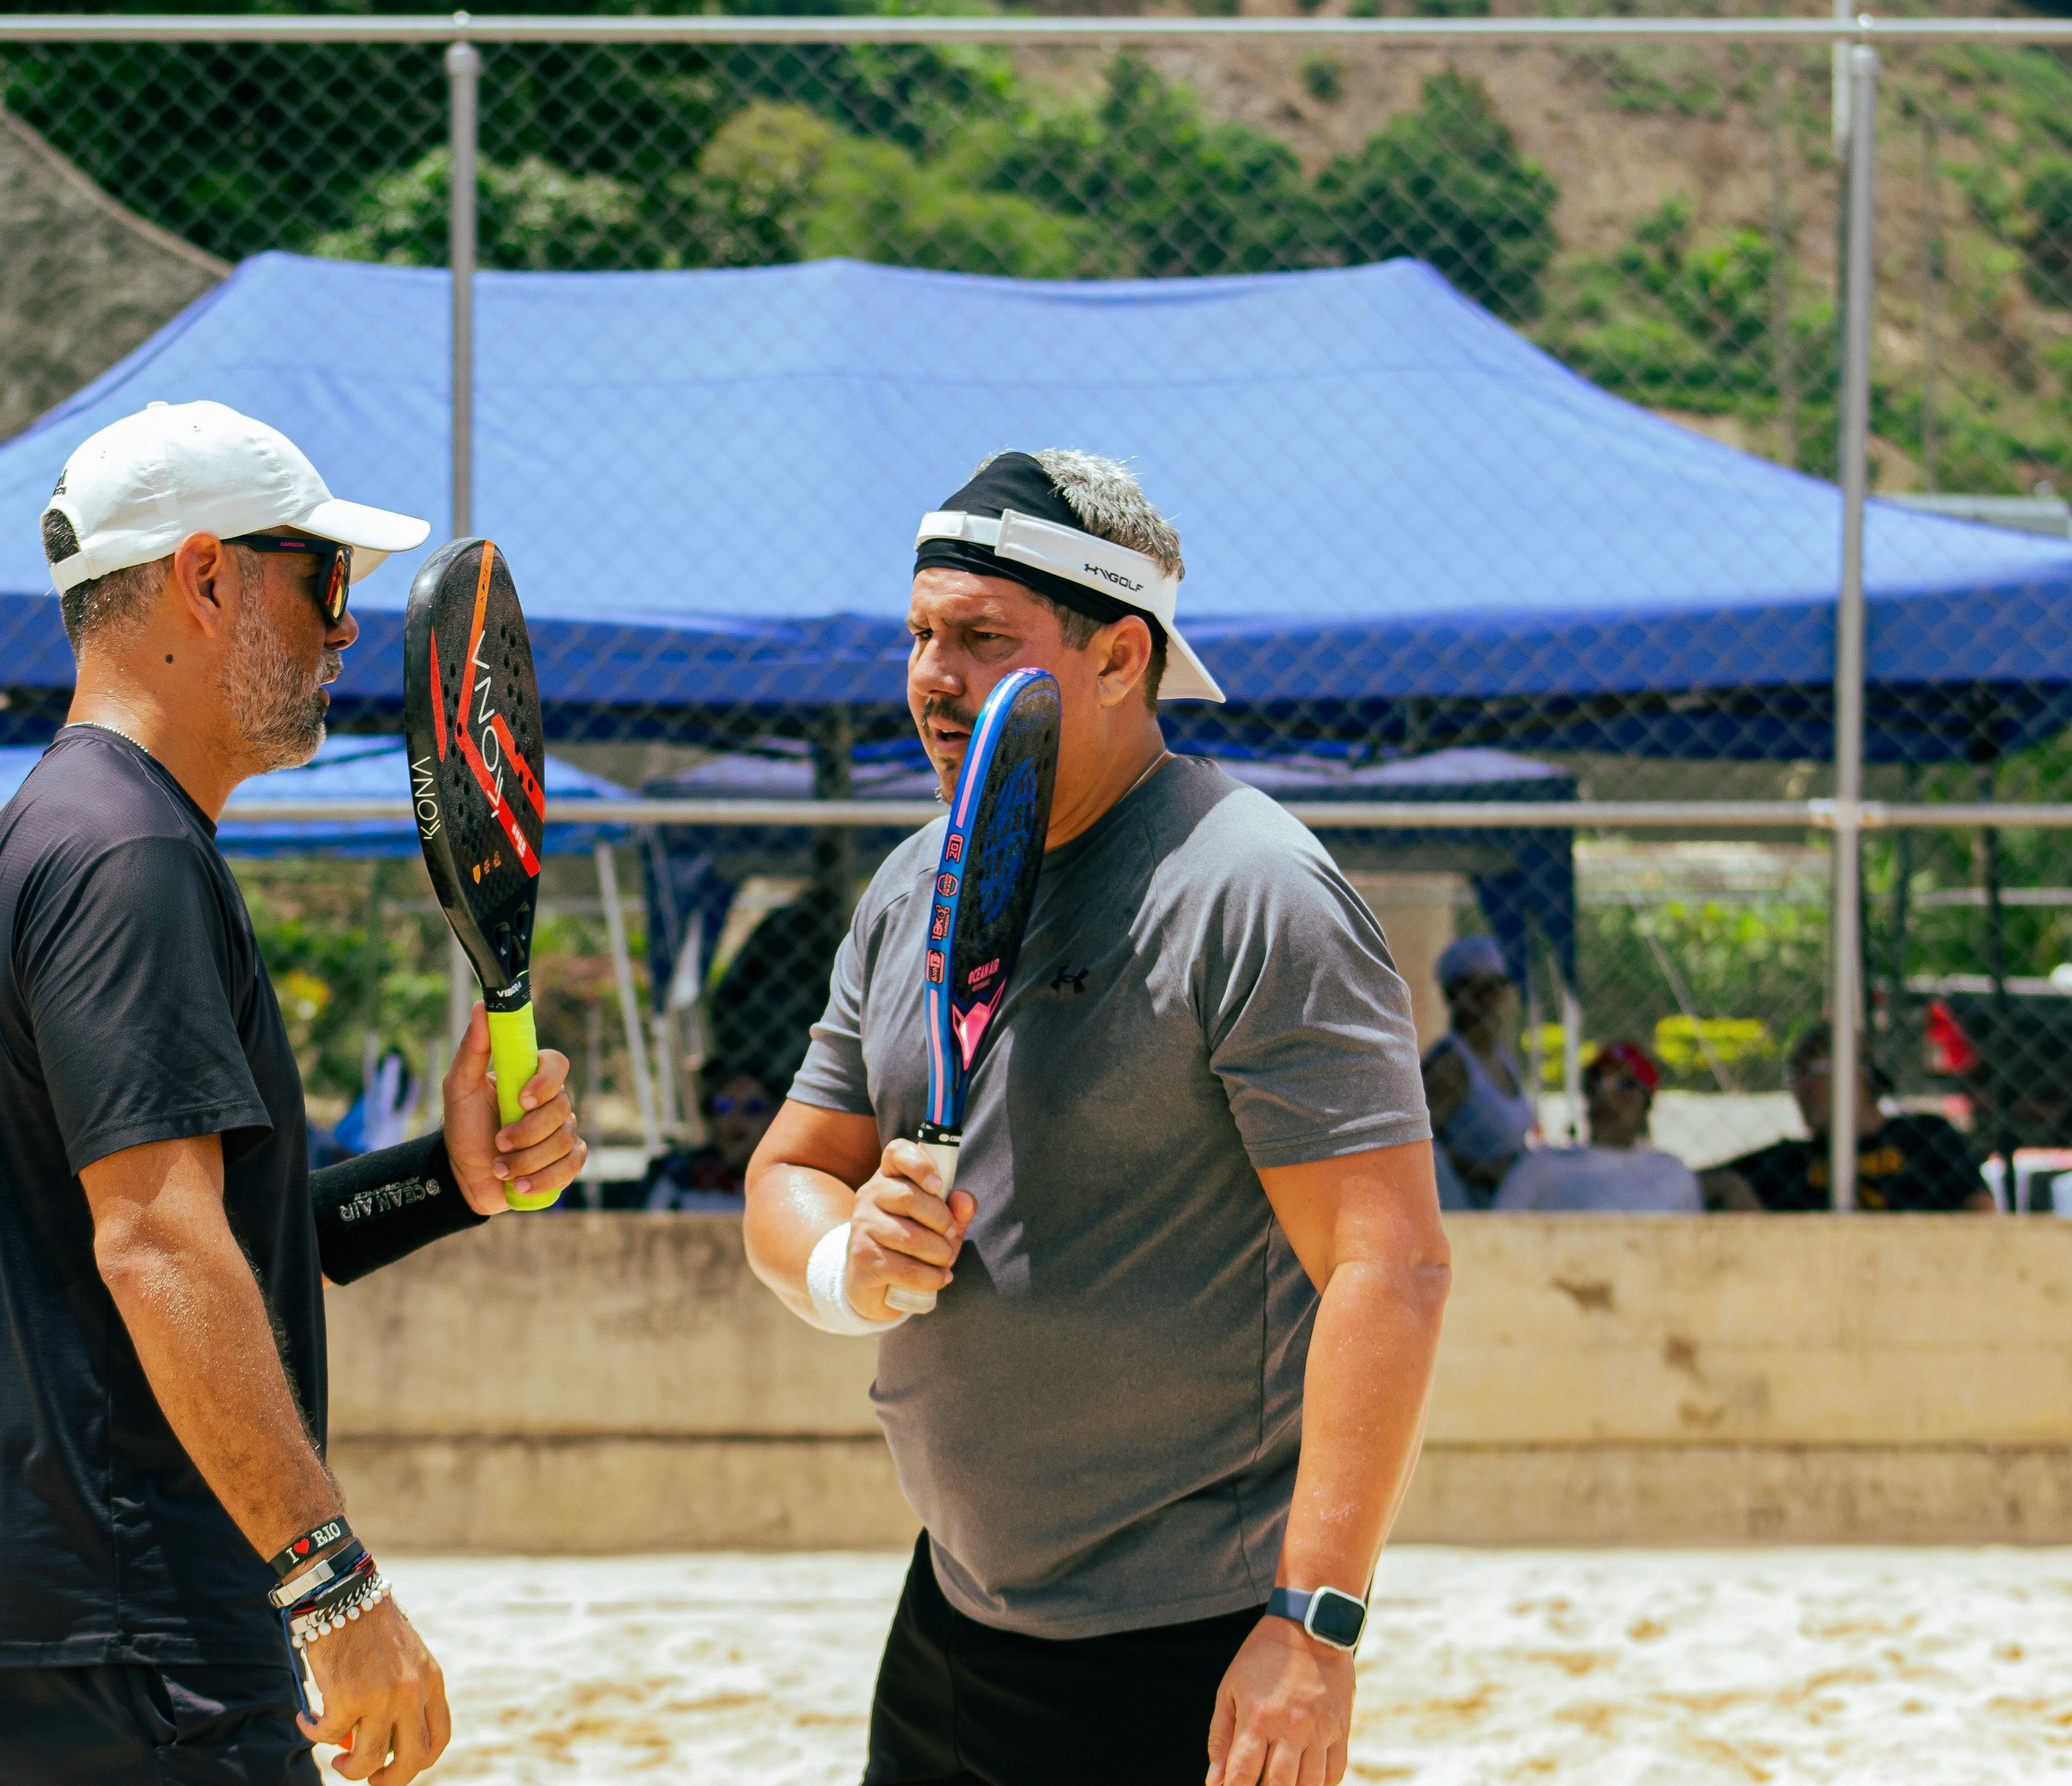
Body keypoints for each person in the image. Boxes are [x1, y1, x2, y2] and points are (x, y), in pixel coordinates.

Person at [0, 401, 589, 1786]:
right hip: (131, 1618)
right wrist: (337, 1587)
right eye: (322, 582)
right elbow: (158, 1248)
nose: (344, 631)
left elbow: (210, 1237)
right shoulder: (132, 857)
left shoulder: (54, 835)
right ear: (205, 576)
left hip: (26, 1617)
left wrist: (447, 1177)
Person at [744, 449, 1449, 1786]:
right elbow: (791, 1170)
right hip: (953, 1611)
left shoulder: (1250, 888)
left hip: (1185, 1641)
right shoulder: (909, 886)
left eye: (980, 638)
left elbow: (1390, 1266)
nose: (932, 677)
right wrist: (849, 1261)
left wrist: (1314, 1626)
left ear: (1122, 655)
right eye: (919, 636)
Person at [1699, 1022, 1990, 1212]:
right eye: (1793, 1076)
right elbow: (1690, 1181)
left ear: (1855, 1074)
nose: (1799, 1088)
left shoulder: (1926, 1137)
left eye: (1810, 1072)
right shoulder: (1788, 1161)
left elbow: (1982, 1211)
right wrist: (1733, 1190)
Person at [1492, 1039, 1701, 1213]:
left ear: (1646, 1101)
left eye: (1625, 1085)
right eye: (1595, 1081)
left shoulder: (1672, 1173)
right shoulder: (1540, 1165)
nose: (1606, 1096)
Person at [1420, 935, 1534, 1208]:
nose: (1488, 1000)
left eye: (1496, 987)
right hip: (1468, 1209)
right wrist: (1483, 1171)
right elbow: (1419, 1146)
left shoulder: (1501, 1056)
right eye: (1475, 989)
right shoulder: (1450, 1064)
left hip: (1508, 1202)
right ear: (1452, 996)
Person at [638, 1061, 777, 1212]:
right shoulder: (679, 1179)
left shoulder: (785, 1178)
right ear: (709, 1115)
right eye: (724, 1107)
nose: (737, 1118)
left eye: (754, 1108)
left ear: (773, 1116)